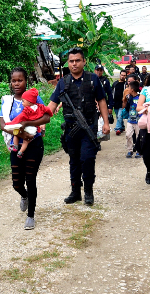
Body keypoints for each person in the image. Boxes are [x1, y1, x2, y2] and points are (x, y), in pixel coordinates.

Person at [47, 47, 111, 206]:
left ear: (84, 62)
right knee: (74, 161)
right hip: (70, 129)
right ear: (68, 63)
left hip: (88, 127)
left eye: (77, 61)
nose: (74, 64)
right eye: (71, 61)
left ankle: (88, 190)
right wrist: (41, 120)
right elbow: (52, 105)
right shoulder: (63, 82)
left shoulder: (92, 79)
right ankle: (76, 191)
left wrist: (106, 122)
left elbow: (102, 101)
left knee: (87, 158)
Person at [0, 69, 51, 230]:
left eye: (20, 80)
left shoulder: (35, 99)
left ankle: (31, 216)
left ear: (25, 82)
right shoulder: (7, 102)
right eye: (14, 80)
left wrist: (28, 125)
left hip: (34, 145)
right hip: (15, 145)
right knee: (17, 183)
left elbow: (46, 117)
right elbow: (3, 125)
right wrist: (21, 133)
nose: (16, 83)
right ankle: (24, 196)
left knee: (30, 179)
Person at [123, 79, 142, 158]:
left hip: (138, 120)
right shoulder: (129, 97)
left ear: (132, 90)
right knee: (128, 135)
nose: (127, 89)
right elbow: (126, 107)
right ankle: (130, 150)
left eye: (129, 88)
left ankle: (139, 150)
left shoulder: (141, 97)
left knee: (139, 136)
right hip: (130, 120)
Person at [94, 64, 114, 137]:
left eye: (100, 70)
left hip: (103, 104)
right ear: (95, 70)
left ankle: (100, 138)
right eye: (97, 70)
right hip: (93, 105)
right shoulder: (91, 79)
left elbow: (110, 94)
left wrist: (110, 106)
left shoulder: (105, 81)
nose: (99, 72)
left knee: (102, 122)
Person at [112, 69, 128, 134]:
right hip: (115, 103)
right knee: (118, 116)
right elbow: (112, 92)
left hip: (122, 103)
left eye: (124, 75)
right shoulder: (115, 83)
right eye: (122, 75)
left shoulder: (126, 84)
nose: (123, 76)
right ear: (120, 75)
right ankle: (122, 126)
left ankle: (117, 129)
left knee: (119, 116)